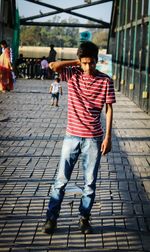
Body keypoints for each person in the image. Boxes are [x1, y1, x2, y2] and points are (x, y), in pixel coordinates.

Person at [42, 41, 116, 235]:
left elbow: (108, 109)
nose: (88, 67)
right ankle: (51, 219)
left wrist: (108, 137)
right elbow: (53, 66)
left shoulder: (106, 81)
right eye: (84, 63)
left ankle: (84, 219)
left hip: (93, 139)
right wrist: (77, 59)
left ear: (97, 61)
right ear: (79, 62)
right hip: (71, 137)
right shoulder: (73, 74)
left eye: (91, 63)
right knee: (60, 180)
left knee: (89, 183)